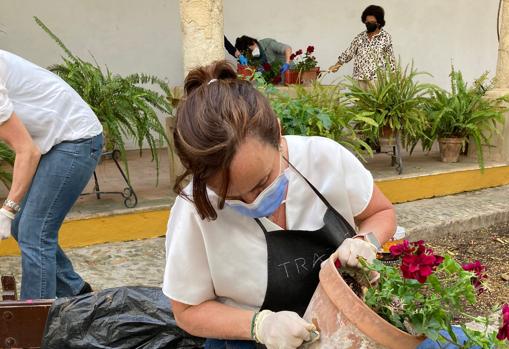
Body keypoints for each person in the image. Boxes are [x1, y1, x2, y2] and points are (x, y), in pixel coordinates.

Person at [163, 60, 396, 349]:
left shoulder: (324, 159)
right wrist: (260, 325)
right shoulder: (193, 209)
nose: (253, 201)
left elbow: (381, 212)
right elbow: (187, 311)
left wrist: (365, 241)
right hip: (248, 341)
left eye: (261, 183)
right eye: (231, 196)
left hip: (346, 319)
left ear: (277, 131)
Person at [0, 50, 103, 300]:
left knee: (35, 233)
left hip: (76, 139)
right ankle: (75, 290)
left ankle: (35, 324)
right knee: (22, 227)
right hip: (52, 141)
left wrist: (7, 209)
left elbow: (28, 151)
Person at [328, 5, 396, 90]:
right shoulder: (360, 37)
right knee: (360, 103)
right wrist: (337, 65)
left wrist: (394, 77)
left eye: (371, 22)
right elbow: (349, 52)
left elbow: (390, 58)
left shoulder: (385, 37)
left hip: (377, 80)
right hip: (359, 79)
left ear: (378, 22)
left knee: (375, 103)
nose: (368, 24)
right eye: (367, 22)